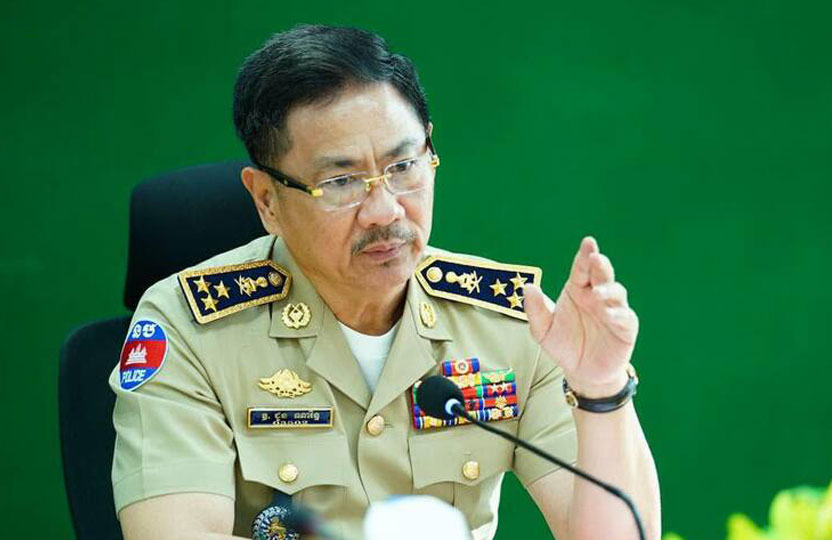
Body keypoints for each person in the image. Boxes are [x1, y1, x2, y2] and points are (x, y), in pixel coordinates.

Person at [110, 24, 661, 540]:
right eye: (341, 181)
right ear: (267, 200)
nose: (384, 210)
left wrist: (601, 389)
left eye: (403, 167)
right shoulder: (187, 329)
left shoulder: (512, 320)